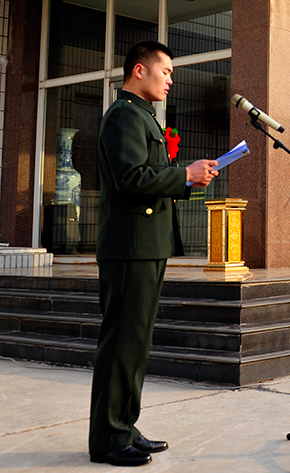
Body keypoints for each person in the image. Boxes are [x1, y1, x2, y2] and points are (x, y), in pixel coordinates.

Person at [89, 41, 218, 467]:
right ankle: (108, 438)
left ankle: (124, 427)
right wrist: (184, 175)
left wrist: (187, 179)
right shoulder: (124, 115)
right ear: (139, 70)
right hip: (130, 246)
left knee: (136, 343)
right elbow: (130, 177)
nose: (170, 80)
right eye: (166, 71)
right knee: (121, 343)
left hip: (145, 244)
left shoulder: (143, 116)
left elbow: (150, 175)